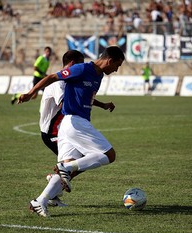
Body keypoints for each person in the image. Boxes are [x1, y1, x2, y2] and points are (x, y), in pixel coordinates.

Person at [18, 46, 125, 217]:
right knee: (109, 155)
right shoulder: (83, 68)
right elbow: (53, 77)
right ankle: (66, 167)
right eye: (117, 66)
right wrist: (31, 93)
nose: (116, 70)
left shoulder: (98, 76)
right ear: (110, 60)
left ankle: (40, 201)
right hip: (75, 122)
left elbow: (86, 96)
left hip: (68, 126)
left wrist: (103, 105)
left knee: (68, 172)